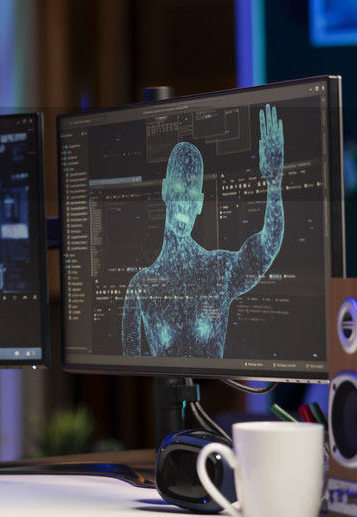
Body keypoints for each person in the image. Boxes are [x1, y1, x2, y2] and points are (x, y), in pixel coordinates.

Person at [121, 104, 285, 359]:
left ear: (199, 203)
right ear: (165, 190)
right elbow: (127, 366)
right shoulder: (141, 286)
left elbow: (267, 247)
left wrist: (273, 184)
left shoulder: (219, 269)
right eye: (178, 188)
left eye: (191, 193)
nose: (184, 202)